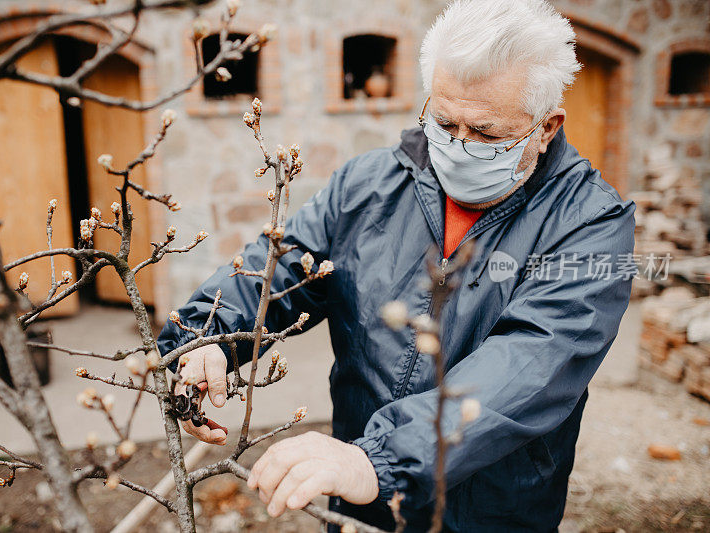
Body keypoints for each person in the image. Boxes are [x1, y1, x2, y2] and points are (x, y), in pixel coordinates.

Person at [156, 0, 636, 530]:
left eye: (487, 134)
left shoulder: (591, 223)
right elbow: (277, 270)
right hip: (360, 495)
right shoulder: (366, 187)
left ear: (546, 127)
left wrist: (383, 459)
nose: (458, 146)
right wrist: (204, 338)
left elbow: (531, 364)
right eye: (445, 121)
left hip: (492, 510)